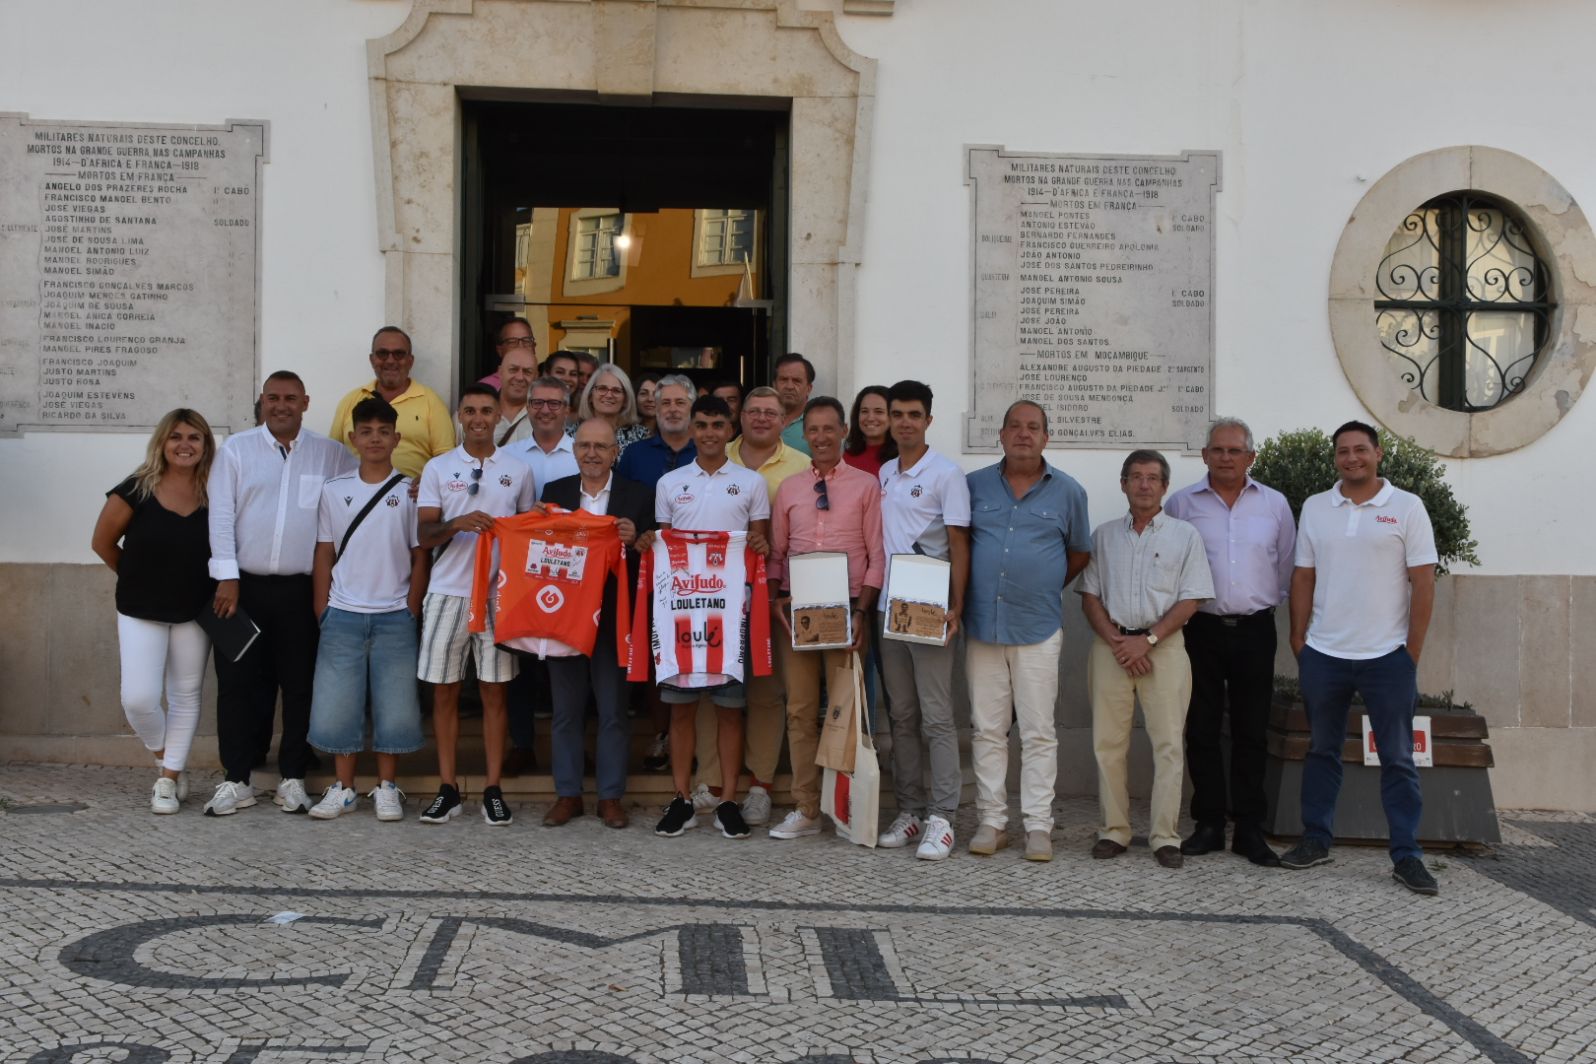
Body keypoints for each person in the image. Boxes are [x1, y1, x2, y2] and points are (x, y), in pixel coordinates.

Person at [1281, 420, 1440, 895]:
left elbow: (1424, 582)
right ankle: (1315, 839)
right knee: (1322, 750)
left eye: (1360, 450)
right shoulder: (1315, 508)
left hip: (1386, 657)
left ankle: (1407, 855)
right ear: (1335, 458)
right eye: (1343, 452)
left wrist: (1409, 653)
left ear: (1378, 454)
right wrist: (1299, 642)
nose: (1352, 458)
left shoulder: (1407, 508)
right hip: (1324, 654)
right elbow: (1303, 577)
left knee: (1397, 758)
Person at [205, 372, 357, 817]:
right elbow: (220, 516)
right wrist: (226, 577)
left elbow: (359, 497)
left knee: (299, 684)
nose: (281, 405)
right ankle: (236, 779)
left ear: (305, 403)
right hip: (241, 588)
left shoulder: (331, 455)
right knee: (236, 685)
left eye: (290, 398)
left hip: (300, 589)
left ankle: (292, 778)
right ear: (262, 401)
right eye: (273, 398)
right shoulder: (236, 450)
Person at [1164, 418, 1295, 867]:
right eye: (1217, 450)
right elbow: (1172, 565)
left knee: (1250, 730)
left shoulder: (1275, 505)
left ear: (1250, 458)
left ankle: (1250, 829)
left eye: (1234, 451)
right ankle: (1209, 823)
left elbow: (1285, 567)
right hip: (1199, 628)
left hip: (1256, 628)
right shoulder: (1182, 504)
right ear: (1204, 456)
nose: (1225, 458)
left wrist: (1259, 605)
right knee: (1200, 726)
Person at [963, 401, 1091, 862]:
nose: (1023, 434)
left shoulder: (1069, 492)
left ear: (1046, 437)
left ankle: (1038, 826)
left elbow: (1079, 553)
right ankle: (991, 820)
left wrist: (1040, 584)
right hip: (982, 625)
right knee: (987, 730)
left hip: (1037, 627)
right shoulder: (973, 486)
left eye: (1033, 427)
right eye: (1014, 426)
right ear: (1000, 434)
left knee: (1038, 731)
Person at [1078, 450, 1214, 869]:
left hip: (1165, 648)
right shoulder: (1102, 536)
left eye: (1152, 478)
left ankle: (1164, 836)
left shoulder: (1184, 535)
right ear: (1123, 484)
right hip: (1111, 647)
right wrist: (1120, 642)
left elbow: (1191, 599)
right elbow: (1090, 596)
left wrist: (1148, 640)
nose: (1143, 484)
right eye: (1135, 477)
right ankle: (1114, 831)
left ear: (1164, 487)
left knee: (1169, 744)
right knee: (1108, 744)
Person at [643, 394, 771, 840]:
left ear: (730, 429)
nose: (711, 432)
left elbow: (760, 545)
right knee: (679, 713)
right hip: (681, 613)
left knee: (730, 711)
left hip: (730, 613)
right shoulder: (670, 483)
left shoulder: (751, 482)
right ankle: (681, 798)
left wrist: (759, 547)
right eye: (703, 424)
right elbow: (663, 546)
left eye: (719, 424)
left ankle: (728, 800)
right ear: (692, 429)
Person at [414, 384, 537, 826]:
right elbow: (424, 536)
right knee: (444, 692)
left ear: (497, 417)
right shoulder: (437, 468)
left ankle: (492, 787)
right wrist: (457, 524)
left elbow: (526, 534)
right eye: (471, 410)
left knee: (494, 692)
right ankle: (447, 787)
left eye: (487, 410)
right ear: (459, 416)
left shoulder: (518, 470)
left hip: (497, 595)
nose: (479, 418)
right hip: (448, 591)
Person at [692, 385, 812, 824]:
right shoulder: (716, 458)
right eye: (753, 411)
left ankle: (760, 784)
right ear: (738, 418)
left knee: (766, 690)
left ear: (784, 420)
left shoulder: (802, 467)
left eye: (771, 413)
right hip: (710, 596)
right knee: (710, 687)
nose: (761, 418)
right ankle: (709, 780)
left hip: (771, 593)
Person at [766, 396, 884, 840]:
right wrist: (778, 600)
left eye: (828, 429)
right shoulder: (791, 489)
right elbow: (778, 553)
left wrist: (861, 613)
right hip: (799, 611)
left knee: (845, 710)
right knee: (799, 711)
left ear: (844, 432)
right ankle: (806, 806)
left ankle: (846, 806)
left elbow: (877, 555)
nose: (820, 438)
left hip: (847, 608)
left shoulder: (866, 486)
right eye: (812, 430)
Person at [305, 398, 428, 822]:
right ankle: (343, 788)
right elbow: (324, 552)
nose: (374, 438)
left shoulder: (410, 490)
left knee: (395, 704)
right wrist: (323, 608)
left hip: (395, 614)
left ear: (396, 438)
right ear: (353, 438)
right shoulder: (335, 490)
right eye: (366, 431)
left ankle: (387, 787)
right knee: (339, 702)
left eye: (383, 431)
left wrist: (411, 607)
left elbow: (419, 555)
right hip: (343, 613)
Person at [91, 409, 217, 814]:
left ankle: (169, 780)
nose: (184, 445)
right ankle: (165, 756)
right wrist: (137, 577)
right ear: (162, 442)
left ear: (205, 445)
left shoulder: (216, 492)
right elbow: (103, 543)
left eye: (194, 438)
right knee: (139, 698)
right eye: (176, 436)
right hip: (140, 607)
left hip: (195, 610)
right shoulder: (135, 488)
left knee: (185, 696)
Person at [538, 418, 657, 830]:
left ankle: (610, 797)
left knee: (612, 712)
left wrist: (635, 539)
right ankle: (567, 794)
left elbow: (650, 561)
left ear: (614, 453)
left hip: (613, 619)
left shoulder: (638, 496)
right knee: (566, 712)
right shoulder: (553, 494)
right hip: (564, 617)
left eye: (600, 447)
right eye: (585, 445)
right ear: (574, 451)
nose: (592, 453)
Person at [875, 379, 970, 861]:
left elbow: (958, 541)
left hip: (931, 607)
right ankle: (910, 809)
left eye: (914, 414)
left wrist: (956, 605)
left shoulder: (946, 474)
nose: (906, 422)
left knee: (936, 716)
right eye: (898, 414)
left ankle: (944, 816)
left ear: (928, 420)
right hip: (888, 609)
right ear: (889, 420)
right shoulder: (885, 471)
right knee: (902, 715)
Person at [616, 373, 699, 772]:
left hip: (701, 577)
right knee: (656, 654)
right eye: (665, 402)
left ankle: (697, 738)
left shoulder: (711, 450)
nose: (671, 409)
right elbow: (622, 505)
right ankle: (661, 733)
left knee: (697, 651)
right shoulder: (635, 454)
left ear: (692, 408)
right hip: (645, 570)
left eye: (680, 403)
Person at [499, 374, 581, 769]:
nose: (545, 410)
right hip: (524, 574)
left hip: (575, 572)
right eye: (538, 403)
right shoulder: (510, 456)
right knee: (523, 660)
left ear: (567, 410)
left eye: (554, 403)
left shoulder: (582, 452)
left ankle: (578, 746)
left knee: (572, 660)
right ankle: (522, 743)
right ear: (527, 407)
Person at [327, 326, 454, 479]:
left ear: (410, 361)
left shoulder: (431, 402)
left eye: (399, 354)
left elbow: (447, 459)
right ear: (372, 359)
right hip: (354, 499)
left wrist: (427, 482)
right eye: (383, 353)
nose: (390, 360)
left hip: (412, 498)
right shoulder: (350, 401)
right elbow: (332, 455)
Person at [576, 363, 650, 455]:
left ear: (625, 400)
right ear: (590, 396)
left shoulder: (641, 436)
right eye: (602, 388)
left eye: (616, 390)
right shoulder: (573, 434)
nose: (609, 395)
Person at [491, 318, 541, 445]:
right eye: (513, 370)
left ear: (536, 376)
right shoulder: (475, 412)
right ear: (500, 372)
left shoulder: (549, 415)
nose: (520, 377)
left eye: (528, 372)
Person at [843, 385, 896, 477]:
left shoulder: (903, 459)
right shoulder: (847, 457)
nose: (870, 418)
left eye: (879, 412)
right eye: (864, 411)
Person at [773, 352, 815, 456]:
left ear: (809, 389)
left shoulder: (818, 425)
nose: (789, 386)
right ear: (774, 385)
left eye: (796, 381)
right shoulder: (761, 419)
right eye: (783, 379)